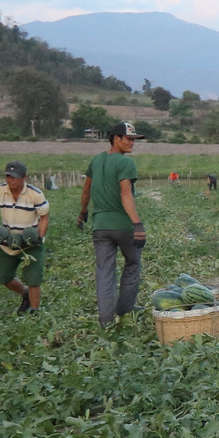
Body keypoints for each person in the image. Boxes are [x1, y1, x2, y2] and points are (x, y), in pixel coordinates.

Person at [77, 122, 145, 326]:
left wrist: (82, 214)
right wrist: (137, 224)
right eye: (129, 139)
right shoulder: (126, 164)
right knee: (132, 263)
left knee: (105, 271)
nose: (132, 143)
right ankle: (125, 309)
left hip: (100, 227)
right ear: (116, 138)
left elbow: (86, 190)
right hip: (123, 225)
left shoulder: (96, 160)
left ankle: (106, 321)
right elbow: (126, 194)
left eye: (134, 140)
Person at [0, 160, 49, 314]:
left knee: (34, 280)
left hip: (30, 244)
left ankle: (35, 311)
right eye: (8, 176)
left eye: (15, 177)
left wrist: (39, 237)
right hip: (8, 242)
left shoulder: (35, 194)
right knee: (3, 276)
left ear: (24, 177)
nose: (11, 180)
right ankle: (25, 294)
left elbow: (44, 217)